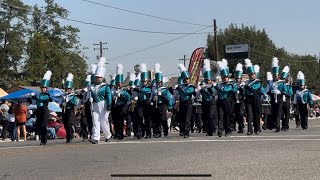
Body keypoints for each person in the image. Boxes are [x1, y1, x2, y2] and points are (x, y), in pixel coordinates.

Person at [90, 58, 112, 144]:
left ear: (102, 78)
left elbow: (108, 96)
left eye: (99, 77)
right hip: (94, 105)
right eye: (96, 77)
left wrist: (109, 104)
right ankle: (96, 138)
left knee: (104, 121)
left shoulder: (105, 86)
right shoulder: (91, 87)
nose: (97, 79)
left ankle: (108, 135)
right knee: (95, 121)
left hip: (103, 104)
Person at [28, 70, 53, 145]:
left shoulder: (47, 95)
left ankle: (44, 140)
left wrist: (35, 96)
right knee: (38, 125)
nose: (42, 89)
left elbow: (41, 99)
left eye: (44, 88)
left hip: (44, 111)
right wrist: (29, 98)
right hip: (39, 110)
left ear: (46, 89)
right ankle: (40, 138)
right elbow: (33, 102)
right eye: (42, 88)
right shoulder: (39, 95)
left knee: (43, 125)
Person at [150, 63, 173, 138]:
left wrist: (169, 107)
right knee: (156, 120)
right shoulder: (154, 90)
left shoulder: (165, 89)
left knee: (162, 118)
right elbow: (151, 97)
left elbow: (169, 98)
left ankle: (165, 129)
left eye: (159, 82)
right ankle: (157, 132)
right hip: (155, 105)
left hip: (162, 105)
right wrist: (153, 100)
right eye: (157, 82)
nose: (158, 83)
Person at [244, 59, 266, 135]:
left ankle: (257, 128)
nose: (252, 76)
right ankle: (250, 130)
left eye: (253, 74)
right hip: (249, 100)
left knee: (257, 114)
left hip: (256, 99)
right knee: (249, 115)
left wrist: (248, 87)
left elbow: (254, 88)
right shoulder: (246, 82)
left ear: (255, 74)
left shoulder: (258, 82)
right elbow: (245, 91)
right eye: (250, 75)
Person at [216, 60, 237, 137]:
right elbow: (215, 92)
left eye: (226, 77)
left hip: (227, 101)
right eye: (223, 77)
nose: (225, 78)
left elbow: (225, 90)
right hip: (220, 101)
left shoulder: (230, 84)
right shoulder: (219, 84)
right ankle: (220, 129)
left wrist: (218, 87)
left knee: (227, 116)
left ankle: (228, 130)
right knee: (220, 116)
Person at [268, 57, 288, 132]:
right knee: (274, 112)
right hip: (273, 98)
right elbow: (267, 91)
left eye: (276, 76)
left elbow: (285, 92)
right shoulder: (271, 83)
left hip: (279, 98)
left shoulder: (282, 83)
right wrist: (271, 92)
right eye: (273, 75)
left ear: (278, 75)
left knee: (279, 112)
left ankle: (278, 125)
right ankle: (275, 124)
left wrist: (280, 92)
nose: (274, 77)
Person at [111, 64, 130, 140]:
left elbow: (127, 97)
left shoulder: (124, 90)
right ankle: (116, 133)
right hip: (115, 107)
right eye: (117, 83)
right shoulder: (113, 90)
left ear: (122, 83)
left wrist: (120, 96)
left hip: (121, 106)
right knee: (115, 121)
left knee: (120, 121)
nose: (119, 84)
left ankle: (121, 134)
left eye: (120, 83)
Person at [200, 59, 218, 136]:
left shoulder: (213, 85)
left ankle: (213, 128)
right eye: (206, 80)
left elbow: (214, 93)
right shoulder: (203, 86)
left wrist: (209, 88)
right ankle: (209, 131)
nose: (208, 81)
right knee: (206, 117)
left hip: (212, 102)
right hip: (205, 103)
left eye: (209, 80)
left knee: (211, 116)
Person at [176, 64, 194, 138]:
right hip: (182, 103)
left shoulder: (191, 87)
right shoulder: (180, 86)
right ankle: (182, 131)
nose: (187, 80)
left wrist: (181, 88)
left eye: (188, 79)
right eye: (185, 79)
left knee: (187, 119)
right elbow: (176, 94)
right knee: (182, 118)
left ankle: (187, 132)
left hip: (188, 103)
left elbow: (187, 92)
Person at [136, 63, 152, 139]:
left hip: (147, 104)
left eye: (145, 81)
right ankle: (140, 132)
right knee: (139, 117)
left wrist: (138, 89)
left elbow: (144, 91)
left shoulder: (149, 87)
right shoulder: (139, 86)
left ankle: (148, 133)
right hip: (140, 104)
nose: (144, 82)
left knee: (147, 119)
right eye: (142, 81)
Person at [61, 73, 78, 143]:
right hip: (64, 111)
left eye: (69, 89)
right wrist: (62, 103)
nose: (67, 90)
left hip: (70, 110)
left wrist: (69, 101)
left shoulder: (73, 96)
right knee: (65, 124)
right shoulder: (63, 95)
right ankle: (68, 137)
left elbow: (75, 103)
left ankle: (71, 136)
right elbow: (60, 103)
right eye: (66, 89)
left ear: (71, 89)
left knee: (69, 123)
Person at [280, 66, 293, 131]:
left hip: (287, 101)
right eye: (282, 78)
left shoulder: (289, 86)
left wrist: (285, 93)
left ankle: (286, 125)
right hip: (281, 101)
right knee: (281, 114)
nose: (283, 80)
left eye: (284, 78)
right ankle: (282, 125)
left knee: (287, 114)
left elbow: (290, 94)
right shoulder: (280, 84)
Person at [234, 63, 245, 133]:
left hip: (241, 100)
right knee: (236, 114)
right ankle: (239, 126)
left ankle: (241, 126)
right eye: (237, 78)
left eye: (239, 78)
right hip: (235, 100)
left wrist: (240, 88)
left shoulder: (243, 84)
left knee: (240, 113)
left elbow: (244, 91)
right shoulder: (233, 84)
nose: (238, 79)